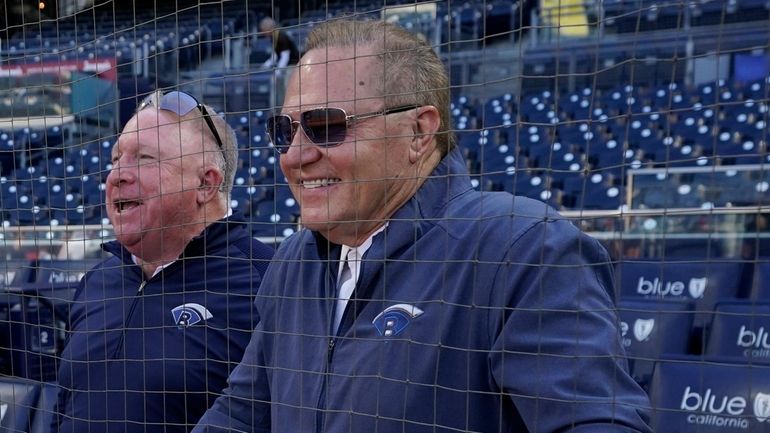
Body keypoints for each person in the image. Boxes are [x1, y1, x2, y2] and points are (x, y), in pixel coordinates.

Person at [193, 19, 653, 433]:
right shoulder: (293, 262)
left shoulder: (522, 246)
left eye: (326, 125)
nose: (295, 155)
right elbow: (241, 413)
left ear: (418, 132)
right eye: (285, 130)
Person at [52, 90, 274, 433]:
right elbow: (64, 409)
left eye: (144, 159)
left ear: (205, 183)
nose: (116, 176)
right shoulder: (96, 281)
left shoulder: (270, 280)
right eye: (115, 160)